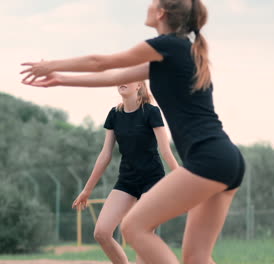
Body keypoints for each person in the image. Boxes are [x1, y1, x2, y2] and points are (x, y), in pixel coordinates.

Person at [21, 0, 245, 263]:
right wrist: (61, 80)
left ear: (161, 13)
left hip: (207, 160)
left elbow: (100, 62)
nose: (148, 6)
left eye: (152, 3)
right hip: (228, 160)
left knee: (133, 227)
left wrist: (52, 65)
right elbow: (111, 77)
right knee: (196, 257)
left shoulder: (168, 45)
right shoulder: (177, 53)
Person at [72, 81, 178, 264]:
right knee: (101, 232)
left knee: (140, 234)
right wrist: (87, 190)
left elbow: (166, 151)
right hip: (127, 181)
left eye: (128, 77)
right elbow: (105, 155)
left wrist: (181, 179)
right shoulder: (114, 114)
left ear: (138, 85)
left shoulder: (151, 112)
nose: (122, 81)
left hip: (152, 181)